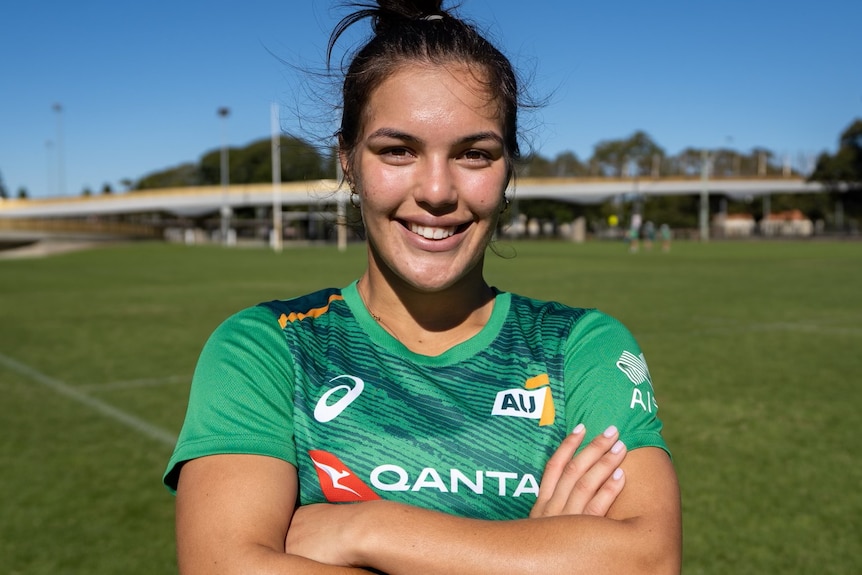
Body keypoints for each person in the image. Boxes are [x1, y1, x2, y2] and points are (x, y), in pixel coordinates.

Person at [163, 2, 682, 574]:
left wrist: (366, 528)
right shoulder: (266, 348)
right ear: (348, 161)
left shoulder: (582, 346)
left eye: (474, 154)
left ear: (509, 170)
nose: (437, 190)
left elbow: (648, 561)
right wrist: (531, 555)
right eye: (398, 150)